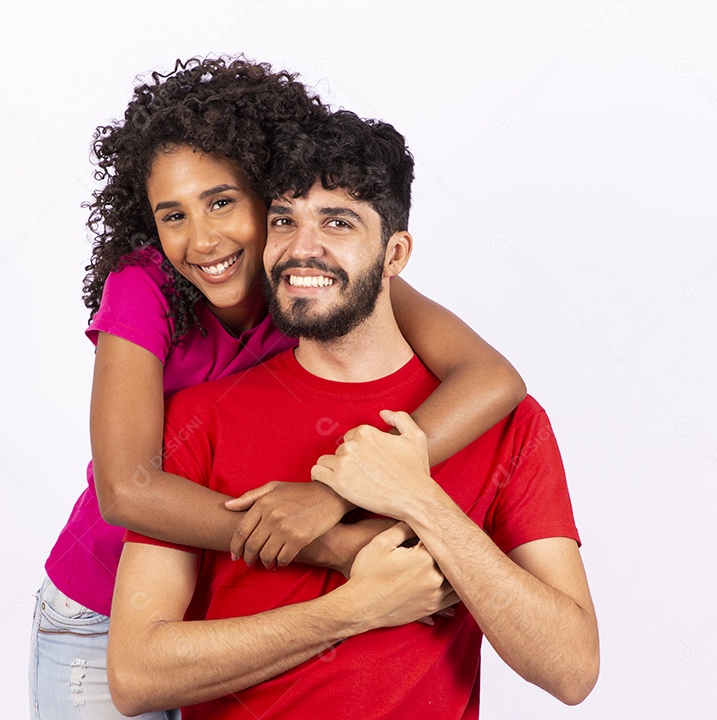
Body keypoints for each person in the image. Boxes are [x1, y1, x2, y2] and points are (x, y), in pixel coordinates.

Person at [31, 58, 527, 719]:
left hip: (233, 606)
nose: (202, 240)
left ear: (270, 196)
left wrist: (333, 493)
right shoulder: (142, 286)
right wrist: (332, 541)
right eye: (172, 215)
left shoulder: (310, 277)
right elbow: (127, 489)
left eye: (222, 202)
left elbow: (491, 376)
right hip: (103, 613)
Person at [106, 110, 598, 718]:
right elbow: (133, 676)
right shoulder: (198, 420)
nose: (302, 248)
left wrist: (419, 500)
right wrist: (352, 608)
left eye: (337, 222)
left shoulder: (505, 424)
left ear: (395, 254)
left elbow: (572, 671)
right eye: (284, 219)